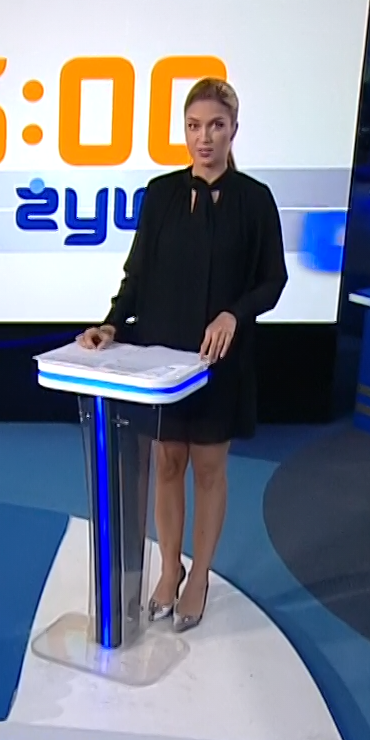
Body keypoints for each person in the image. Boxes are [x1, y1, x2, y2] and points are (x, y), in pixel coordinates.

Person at [76, 78, 288, 633]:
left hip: (219, 360)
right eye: (194, 126)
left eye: (216, 125)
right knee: (167, 463)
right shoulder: (161, 194)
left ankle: (200, 577)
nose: (204, 138)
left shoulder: (255, 200)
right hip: (163, 360)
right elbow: (137, 273)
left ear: (234, 129)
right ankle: (170, 569)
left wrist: (234, 313)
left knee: (208, 469)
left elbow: (273, 281)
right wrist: (112, 322)